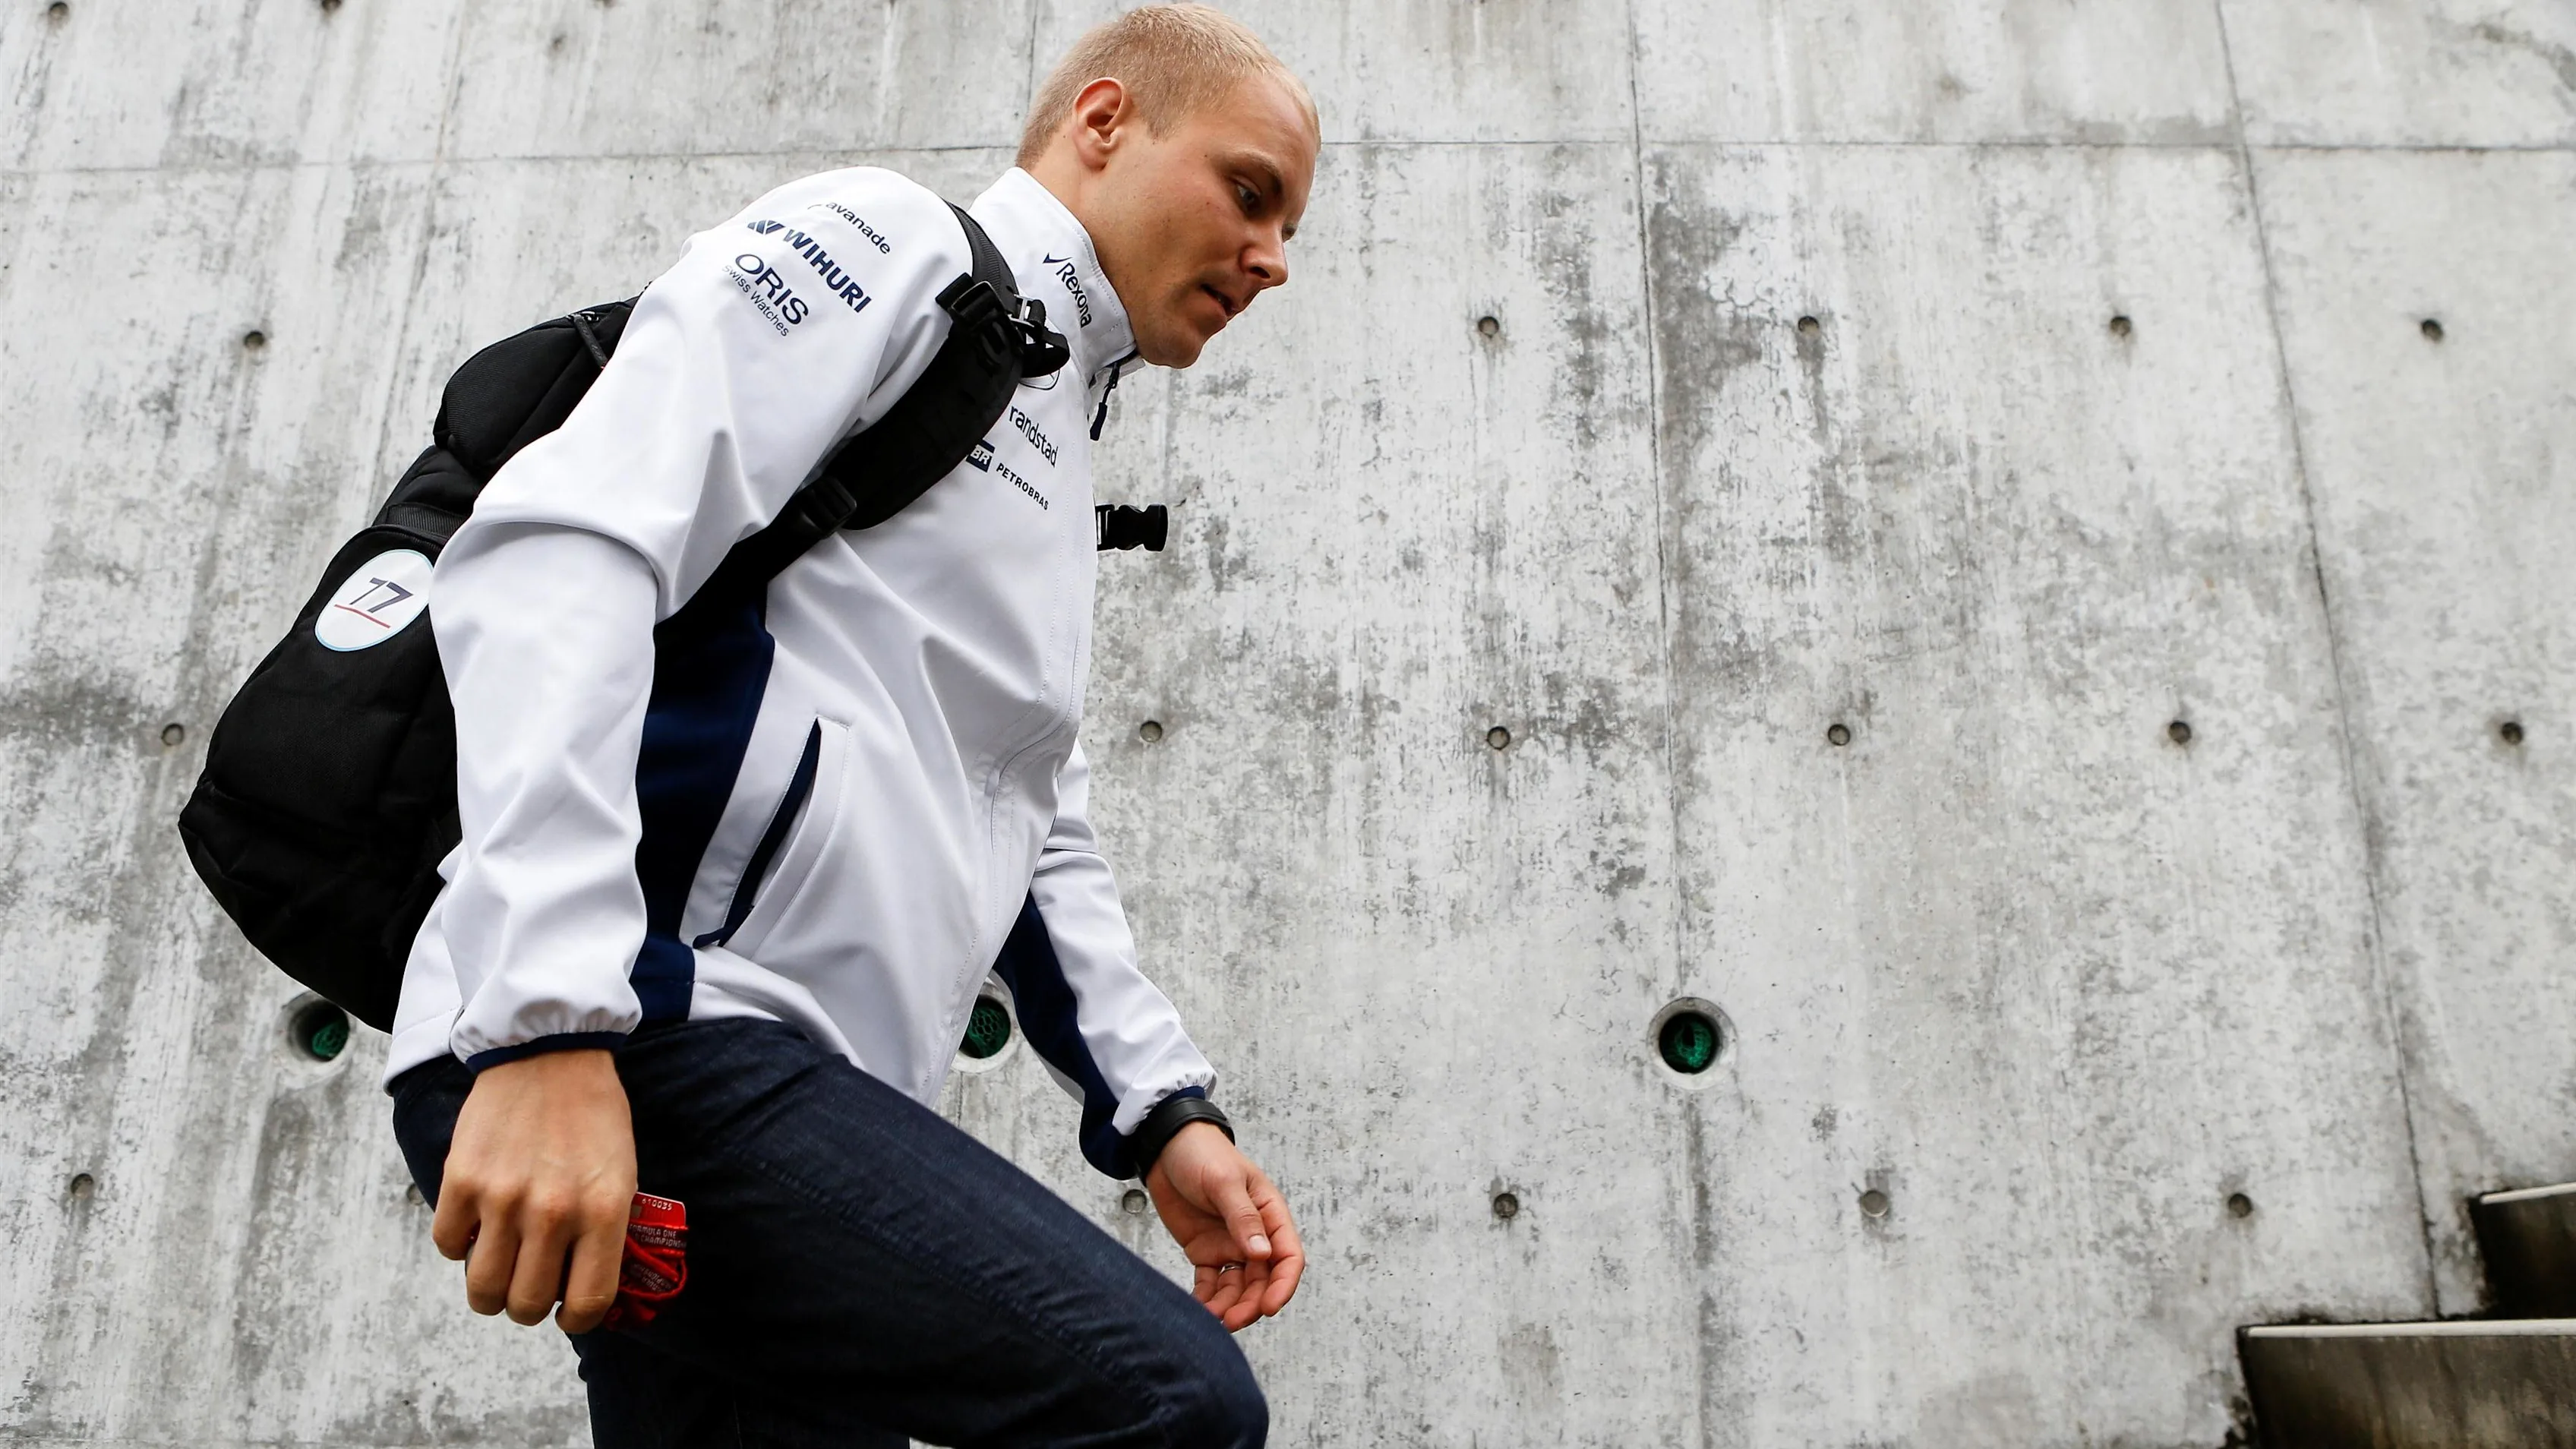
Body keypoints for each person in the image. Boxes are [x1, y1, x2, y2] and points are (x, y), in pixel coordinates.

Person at [380, 8, 1319, 1445]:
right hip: (645, 1032)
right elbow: (558, 552)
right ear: (1106, 121)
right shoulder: (894, 248)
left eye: (1288, 225)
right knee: (1171, 1408)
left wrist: (1162, 1110)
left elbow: (1027, 807)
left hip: (791, 1081)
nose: (1272, 255)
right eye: (1248, 190)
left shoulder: (1058, 437)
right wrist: (549, 1026)